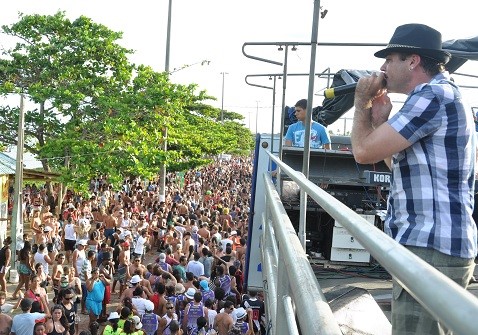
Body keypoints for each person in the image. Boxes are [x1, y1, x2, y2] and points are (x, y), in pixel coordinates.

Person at [351, 23, 477, 335]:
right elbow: (402, 165)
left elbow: (362, 152)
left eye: (389, 59)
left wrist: (361, 102)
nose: (383, 67)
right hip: (436, 247)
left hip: (431, 247)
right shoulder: (440, 95)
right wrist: (380, 120)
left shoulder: (432, 95)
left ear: (413, 61)